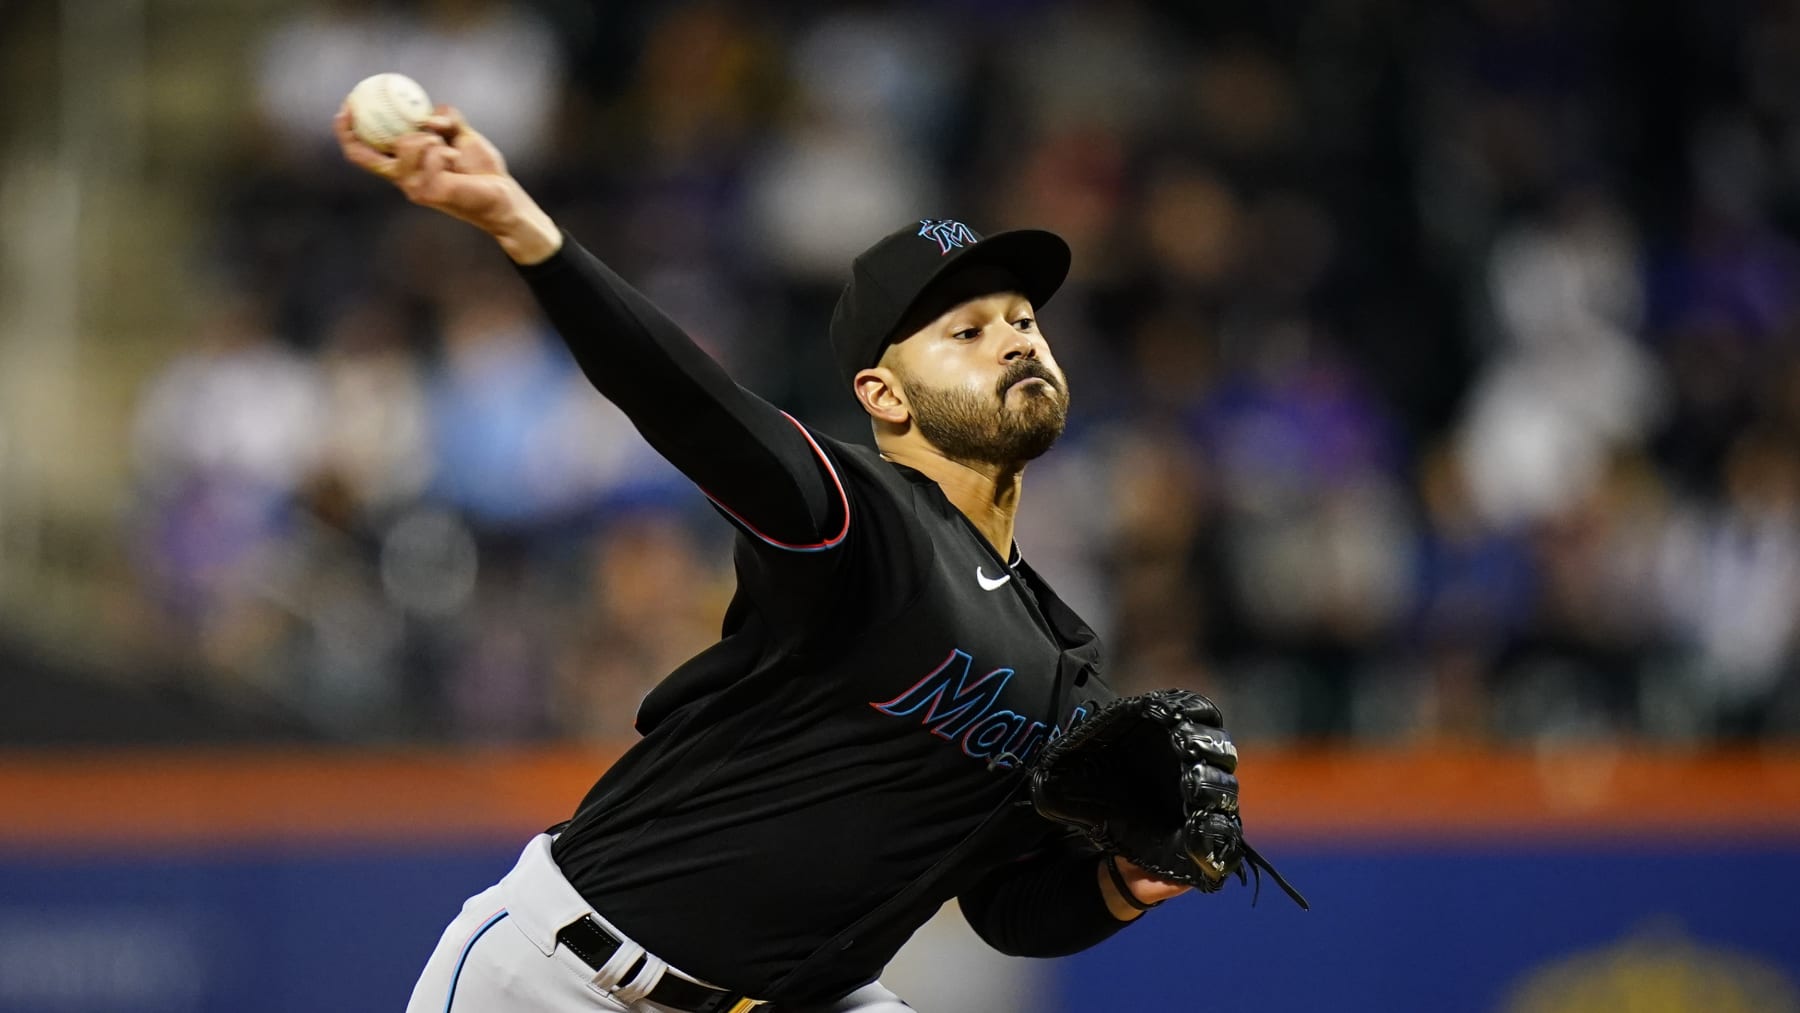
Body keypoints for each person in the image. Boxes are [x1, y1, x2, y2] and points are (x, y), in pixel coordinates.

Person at [336, 102, 1228, 1013]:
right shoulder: (863, 516)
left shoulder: (1065, 663)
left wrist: (1122, 883)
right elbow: (689, 404)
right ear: (883, 393)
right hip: (569, 977)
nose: (1014, 338)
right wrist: (522, 228)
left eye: (1025, 321)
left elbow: (1005, 908)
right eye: (967, 331)